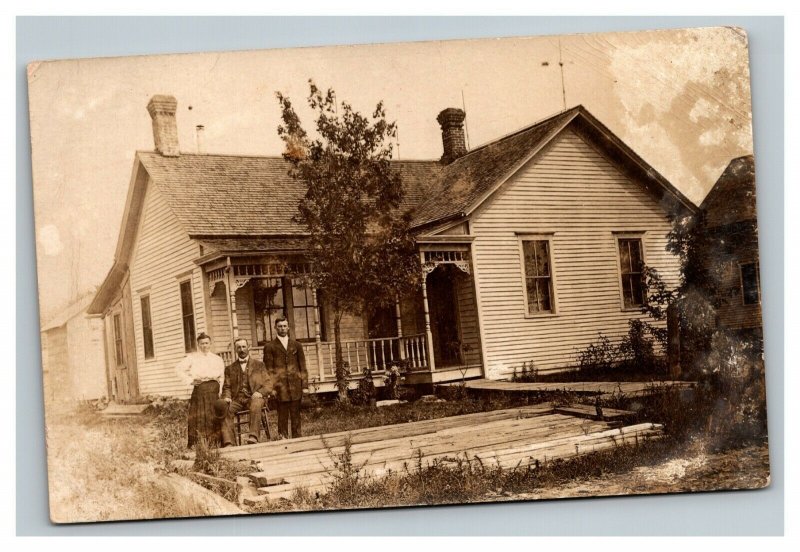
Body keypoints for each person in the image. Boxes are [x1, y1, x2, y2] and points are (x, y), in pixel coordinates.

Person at [174, 332, 225, 449]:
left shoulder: (217, 359)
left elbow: (221, 377)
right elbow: (178, 369)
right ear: (198, 345)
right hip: (200, 389)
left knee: (213, 415)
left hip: (214, 389)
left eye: (206, 343)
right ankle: (200, 444)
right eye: (202, 344)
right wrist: (190, 380)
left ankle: (215, 442)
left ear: (210, 344)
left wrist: (220, 390)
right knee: (200, 416)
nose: (204, 346)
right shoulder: (192, 358)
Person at [217, 337, 271, 446]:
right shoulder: (230, 368)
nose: (241, 350)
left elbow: (268, 384)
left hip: (254, 398)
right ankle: (229, 442)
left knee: (256, 403)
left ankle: (253, 437)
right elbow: (227, 387)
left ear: (248, 348)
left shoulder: (259, 365)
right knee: (225, 408)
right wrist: (227, 397)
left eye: (243, 347)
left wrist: (260, 392)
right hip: (237, 399)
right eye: (239, 347)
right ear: (236, 350)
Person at [263, 317, 308, 439]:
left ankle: (297, 440)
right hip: (280, 388)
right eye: (280, 326)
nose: (282, 328)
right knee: (282, 417)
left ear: (288, 327)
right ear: (275, 328)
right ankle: (283, 442)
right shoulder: (270, 347)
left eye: (284, 326)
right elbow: (268, 370)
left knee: (296, 417)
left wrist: (305, 386)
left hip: (295, 387)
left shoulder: (297, 345)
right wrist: (271, 388)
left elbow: (302, 367)